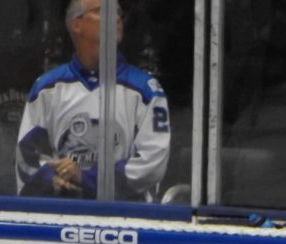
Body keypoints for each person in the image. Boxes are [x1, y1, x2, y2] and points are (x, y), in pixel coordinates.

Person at [16, 0, 170, 200]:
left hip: (126, 221)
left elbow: (152, 162)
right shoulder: (47, 88)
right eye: (102, 11)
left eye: (118, 13)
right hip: (61, 217)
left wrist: (86, 177)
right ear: (76, 24)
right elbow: (27, 156)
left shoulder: (146, 91)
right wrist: (51, 178)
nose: (115, 18)